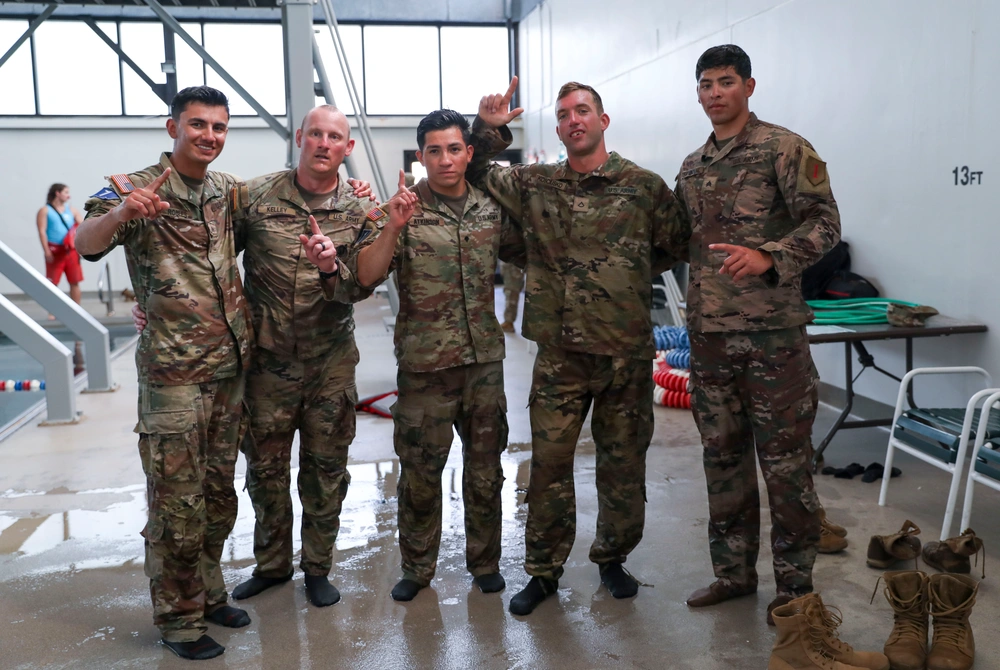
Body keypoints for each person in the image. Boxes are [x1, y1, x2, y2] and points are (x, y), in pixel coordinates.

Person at [131, 105, 383, 610]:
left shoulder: (361, 209)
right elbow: (210, 253)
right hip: (266, 364)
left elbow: (363, 283)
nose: (324, 144)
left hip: (330, 363)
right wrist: (157, 301)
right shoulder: (252, 196)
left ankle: (318, 567)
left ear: (347, 147)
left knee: (326, 471)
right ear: (300, 137)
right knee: (265, 473)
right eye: (315, 133)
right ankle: (272, 565)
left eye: (335, 137)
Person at [467, 78, 688, 615]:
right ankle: (543, 572)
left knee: (623, 464)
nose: (574, 120)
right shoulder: (536, 183)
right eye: (564, 114)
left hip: (624, 352)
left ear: (602, 120)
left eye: (583, 110)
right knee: (548, 465)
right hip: (560, 355)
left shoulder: (643, 186)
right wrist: (488, 128)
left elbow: (675, 244)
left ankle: (612, 558)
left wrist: (623, 275)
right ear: (559, 128)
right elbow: (477, 171)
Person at [302, 109, 524, 603]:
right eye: (434, 151)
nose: (445, 159)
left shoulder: (490, 208)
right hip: (426, 369)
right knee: (421, 476)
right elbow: (361, 279)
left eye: (454, 149)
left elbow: (527, 252)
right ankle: (418, 568)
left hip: (484, 365)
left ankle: (485, 562)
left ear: (469, 153)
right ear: (421, 156)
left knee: (486, 471)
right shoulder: (398, 210)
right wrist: (392, 229)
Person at [75, 86, 253, 661]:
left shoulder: (226, 191)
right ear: (172, 126)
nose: (209, 136)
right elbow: (85, 242)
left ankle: (209, 593)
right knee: (178, 504)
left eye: (219, 127)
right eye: (197, 124)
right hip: (173, 378)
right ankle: (179, 621)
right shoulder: (135, 188)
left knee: (218, 495)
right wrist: (122, 213)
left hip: (228, 370)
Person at [674, 45, 841, 624]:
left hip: (773, 340)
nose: (714, 93)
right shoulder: (692, 166)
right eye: (705, 84)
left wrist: (770, 255)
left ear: (748, 86)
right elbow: (671, 238)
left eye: (725, 81)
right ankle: (733, 574)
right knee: (722, 460)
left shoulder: (784, 148)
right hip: (709, 339)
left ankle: (795, 586)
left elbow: (825, 224)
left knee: (785, 464)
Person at [36, 183, 84, 308]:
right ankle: (52, 311)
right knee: (52, 283)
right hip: (55, 251)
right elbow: (42, 231)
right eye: (66, 192)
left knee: (75, 281)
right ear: (57, 193)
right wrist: (46, 251)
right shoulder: (45, 210)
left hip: (71, 251)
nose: (69, 196)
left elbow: (84, 226)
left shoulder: (72, 210)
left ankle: (77, 309)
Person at [499, 260, 524, 332]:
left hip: (512, 261)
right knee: (511, 290)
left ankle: (509, 321)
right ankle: (508, 321)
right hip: (508, 260)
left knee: (511, 291)